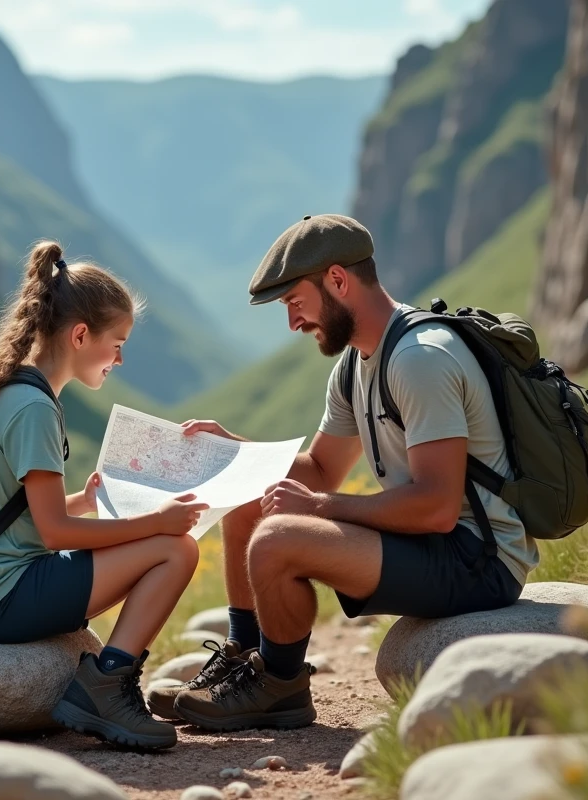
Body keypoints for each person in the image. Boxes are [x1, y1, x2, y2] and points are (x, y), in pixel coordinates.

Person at [147, 214, 536, 732]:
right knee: (250, 500)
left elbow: (438, 507)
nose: (293, 323)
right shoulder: (355, 366)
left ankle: (280, 686)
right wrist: (237, 452)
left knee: (276, 539)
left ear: (337, 280)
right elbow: (324, 469)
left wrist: (322, 508)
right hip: (437, 542)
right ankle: (244, 659)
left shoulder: (420, 360)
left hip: (477, 559)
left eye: (294, 303)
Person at [0, 239, 208, 750]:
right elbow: (54, 533)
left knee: (163, 542)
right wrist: (156, 522)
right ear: (80, 334)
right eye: (117, 344)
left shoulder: (13, 391)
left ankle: (105, 684)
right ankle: (106, 686)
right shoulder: (34, 410)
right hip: (6, 599)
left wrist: (83, 502)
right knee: (176, 548)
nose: (121, 358)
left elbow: (21, 518)